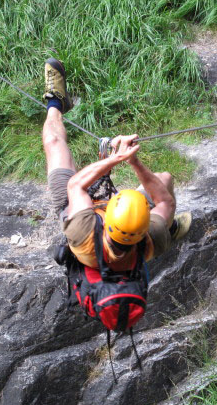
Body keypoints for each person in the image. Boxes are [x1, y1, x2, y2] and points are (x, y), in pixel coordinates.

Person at [42, 58, 191, 271]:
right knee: (165, 179)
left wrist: (116, 158)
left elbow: (76, 185)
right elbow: (165, 200)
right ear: (146, 225)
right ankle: (170, 226)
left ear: (107, 215)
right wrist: (134, 161)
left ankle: (55, 103)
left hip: (76, 209)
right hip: (128, 233)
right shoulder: (153, 237)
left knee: (53, 142)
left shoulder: (83, 229)